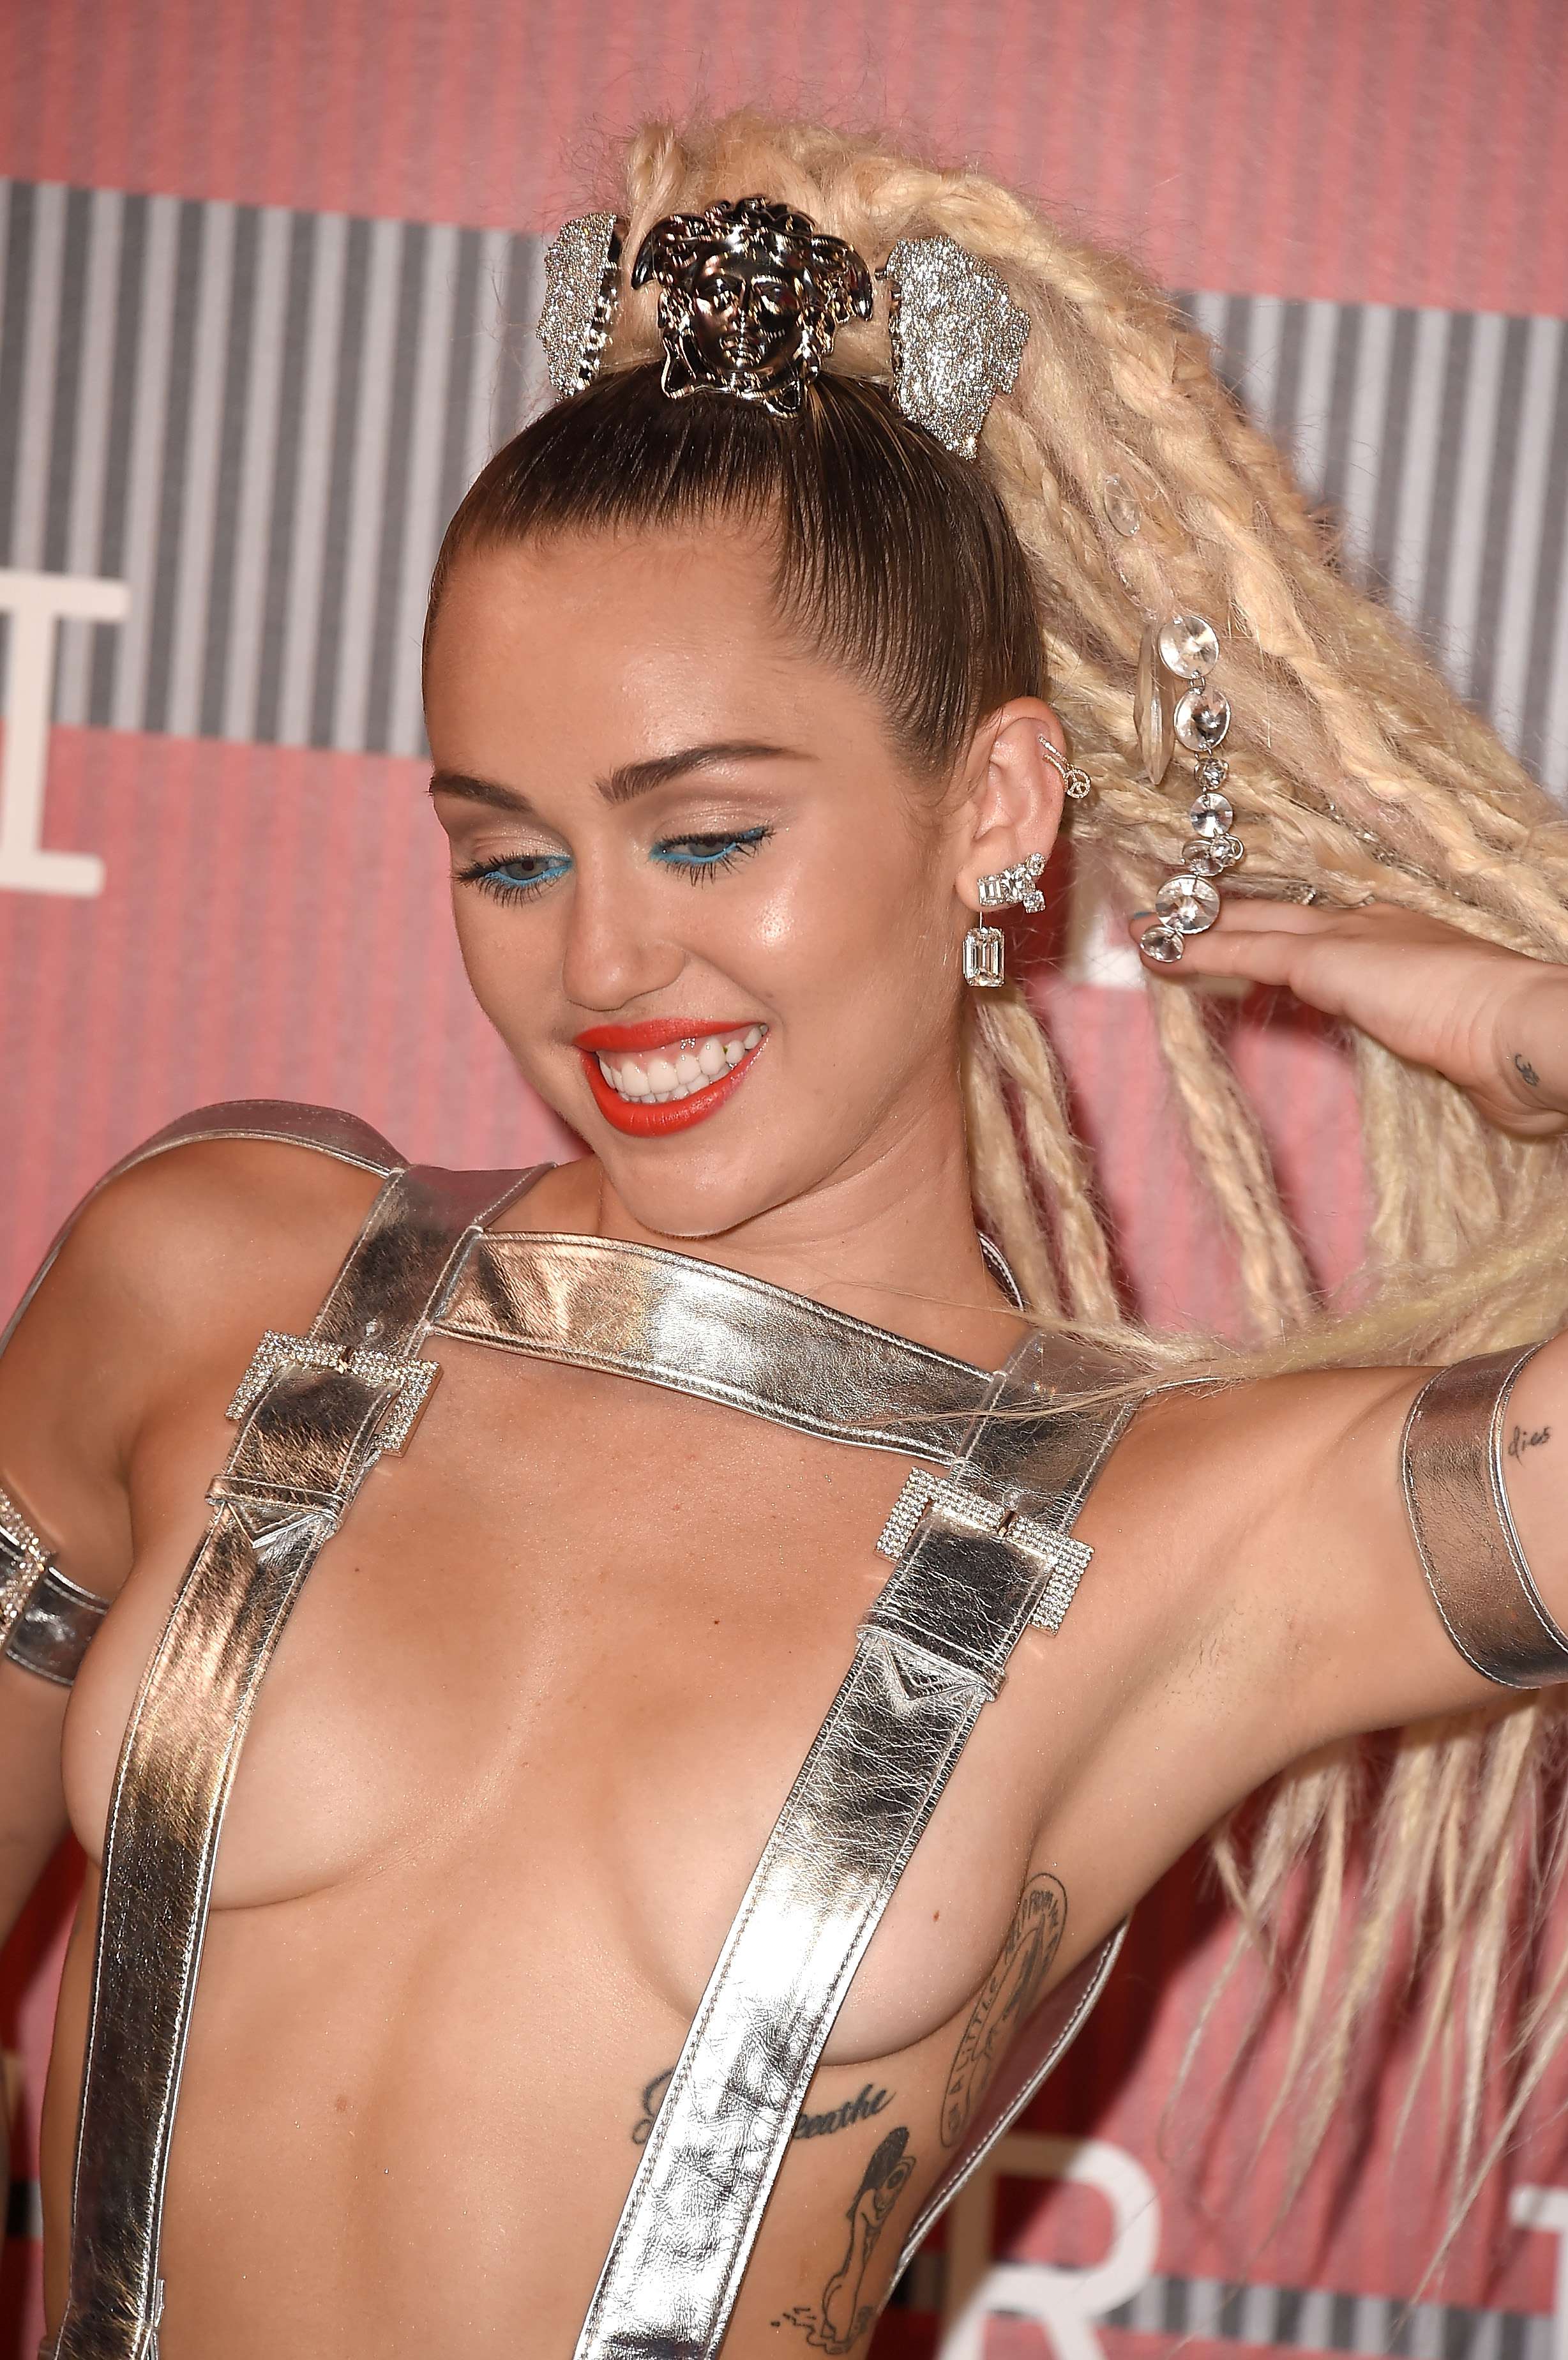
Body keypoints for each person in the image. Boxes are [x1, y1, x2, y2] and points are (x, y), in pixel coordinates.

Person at [1, 111, 1565, 2360]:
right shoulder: (209, 1273)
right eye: (508, 858)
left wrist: (1521, 1024)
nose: (601, 964)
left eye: (709, 836)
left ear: (995, 807)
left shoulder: (1192, 1528)